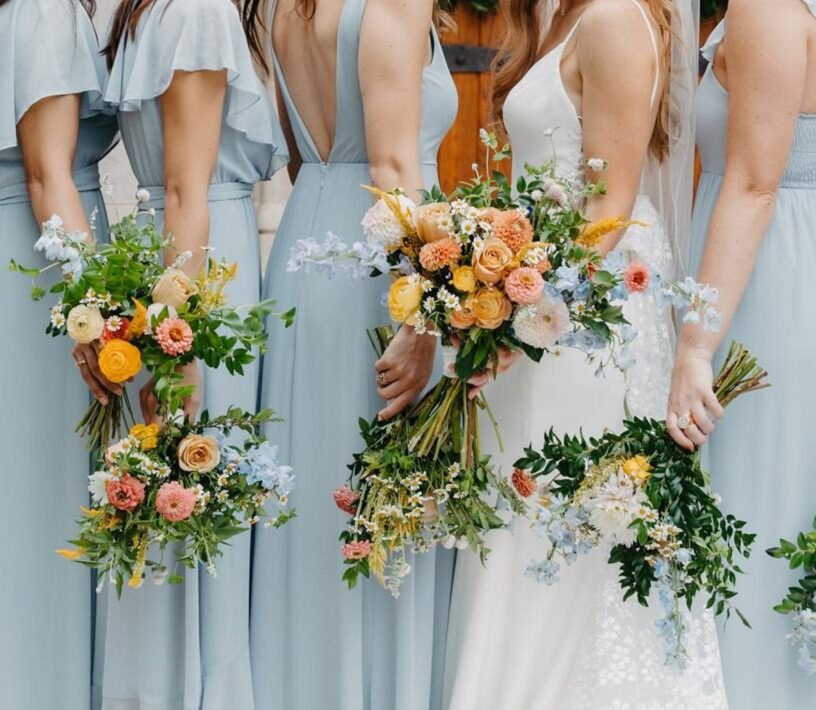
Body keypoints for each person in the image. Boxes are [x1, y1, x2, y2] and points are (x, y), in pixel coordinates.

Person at [443, 1, 728, 708]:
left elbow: (609, 204)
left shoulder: (612, 20)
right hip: (545, 304)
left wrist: (520, 320)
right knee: (529, 517)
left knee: (561, 520)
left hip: (583, 319)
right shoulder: (567, 16)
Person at [667, 0, 816, 707]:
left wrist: (696, 343)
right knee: (805, 500)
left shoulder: (769, 6)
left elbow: (753, 182)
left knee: (756, 500)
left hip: (771, 281)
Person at [247, 0, 457, 708]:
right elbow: (394, 163)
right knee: (381, 501)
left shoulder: (285, 7)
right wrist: (423, 314)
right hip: (378, 270)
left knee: (312, 494)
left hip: (309, 245)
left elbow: (311, 150)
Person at [91, 1, 287, 707]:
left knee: (177, 491)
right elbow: (185, 188)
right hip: (202, 264)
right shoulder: (200, 13)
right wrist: (182, 343)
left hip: (171, 252)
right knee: (197, 486)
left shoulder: (158, 10)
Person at [0, 1, 117, 707]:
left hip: (29, 251)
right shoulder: (44, 11)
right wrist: (97, 315)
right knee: (40, 495)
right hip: (44, 265)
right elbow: (49, 175)